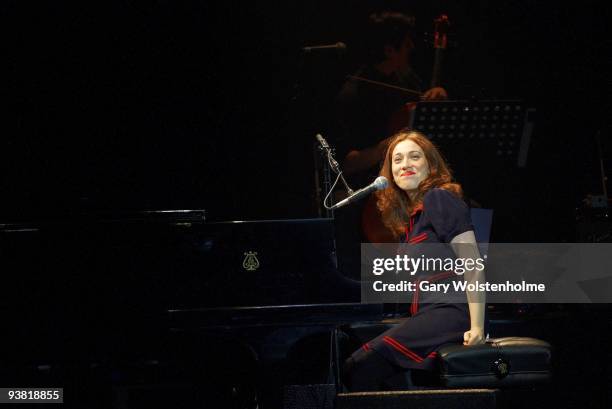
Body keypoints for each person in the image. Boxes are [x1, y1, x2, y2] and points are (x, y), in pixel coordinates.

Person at [342, 130, 486, 391]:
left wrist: (477, 326)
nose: (405, 164)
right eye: (397, 160)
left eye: (414, 156)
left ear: (430, 165)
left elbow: (473, 264)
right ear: (390, 173)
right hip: (429, 314)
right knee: (380, 373)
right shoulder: (413, 220)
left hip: (450, 313)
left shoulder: (439, 198)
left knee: (362, 364)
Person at [333, 11, 449, 278]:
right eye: (407, 43)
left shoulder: (405, 80)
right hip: (372, 196)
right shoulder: (353, 95)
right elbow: (347, 164)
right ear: (388, 49)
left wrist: (437, 98)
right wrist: (386, 147)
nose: (412, 48)